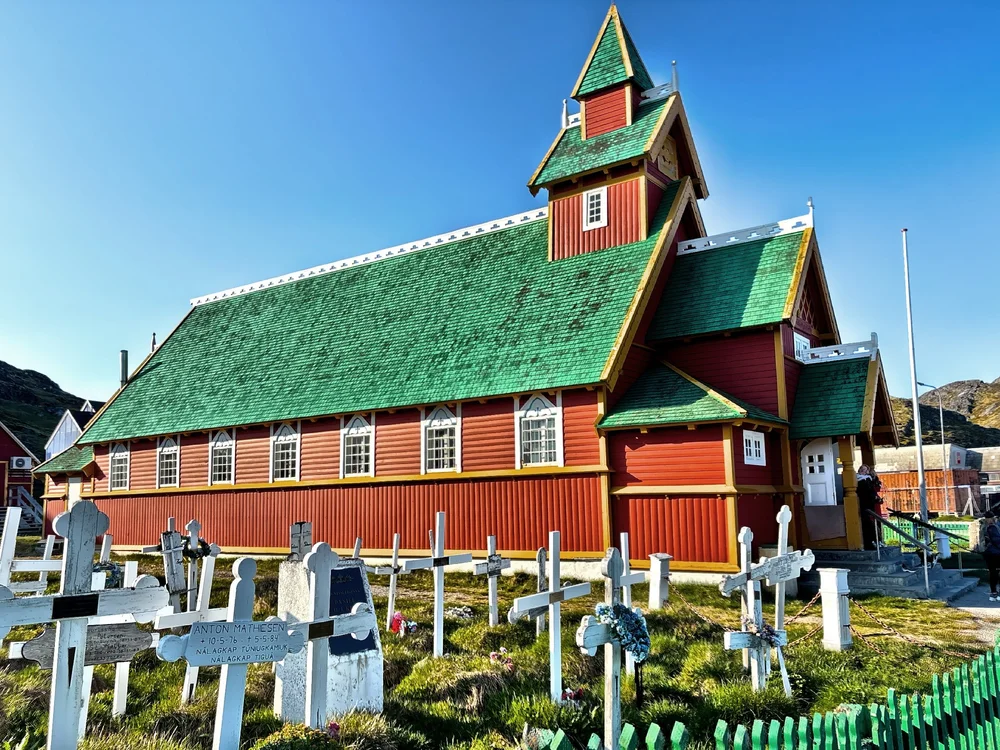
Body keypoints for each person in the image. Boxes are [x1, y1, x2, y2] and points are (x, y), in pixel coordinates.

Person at [857, 464, 883, 550]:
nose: (863, 471)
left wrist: (876, 498)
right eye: (862, 469)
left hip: (869, 505)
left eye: (865, 470)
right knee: (867, 525)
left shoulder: (868, 479)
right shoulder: (859, 479)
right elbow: (868, 492)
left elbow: (873, 491)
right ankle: (870, 543)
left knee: (872, 524)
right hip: (863, 504)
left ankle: (876, 541)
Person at [983, 512, 1000, 601]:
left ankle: (994, 592)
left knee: (993, 573)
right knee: (994, 573)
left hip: (993, 553)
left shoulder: (991, 527)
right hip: (994, 553)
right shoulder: (995, 526)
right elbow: (996, 540)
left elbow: (996, 540)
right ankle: (994, 592)